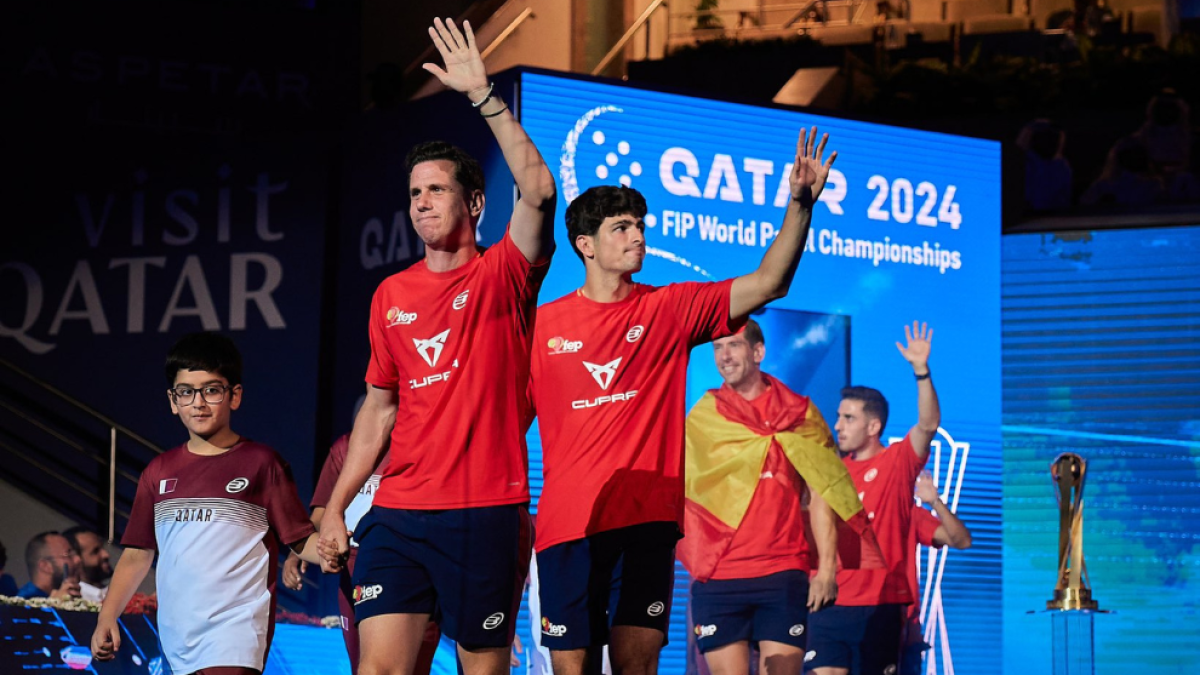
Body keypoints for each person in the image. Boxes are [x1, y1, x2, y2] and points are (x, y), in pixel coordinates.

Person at [529, 128, 837, 675]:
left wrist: (800, 205)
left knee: (637, 664)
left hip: (648, 519)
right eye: (621, 228)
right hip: (568, 526)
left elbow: (770, 283)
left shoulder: (670, 308)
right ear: (585, 244)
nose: (637, 236)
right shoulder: (540, 326)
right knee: (571, 668)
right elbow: (502, 420)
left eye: (640, 226)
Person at [316, 17, 556, 675]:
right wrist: (335, 507)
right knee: (380, 668)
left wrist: (483, 96)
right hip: (398, 512)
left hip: (484, 513)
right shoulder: (390, 294)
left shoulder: (505, 272)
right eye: (415, 192)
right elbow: (377, 411)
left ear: (475, 202)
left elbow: (539, 192)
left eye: (438, 190)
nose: (422, 202)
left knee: (482, 669)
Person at [90, 331, 323, 675]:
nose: (198, 402)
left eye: (211, 390)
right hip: (175, 638)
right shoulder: (158, 471)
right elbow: (138, 554)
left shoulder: (262, 463)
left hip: (236, 635)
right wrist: (107, 615)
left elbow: (300, 539)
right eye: (186, 392)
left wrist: (348, 550)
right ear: (173, 401)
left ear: (235, 396)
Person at [679, 319, 869, 675]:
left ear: (758, 352)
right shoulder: (704, 418)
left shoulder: (799, 414)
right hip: (719, 575)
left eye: (733, 345)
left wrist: (827, 569)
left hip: (781, 572)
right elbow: (684, 493)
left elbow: (823, 492)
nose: (724, 356)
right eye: (717, 348)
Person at [805, 322, 940, 675]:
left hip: (880, 604)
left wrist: (921, 372)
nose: (838, 425)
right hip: (829, 602)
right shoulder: (829, 472)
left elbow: (927, 426)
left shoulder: (897, 462)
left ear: (873, 426)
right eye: (838, 417)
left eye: (848, 418)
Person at [283, 432, 441, 675]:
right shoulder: (345, 448)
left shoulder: (426, 441)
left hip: (410, 570)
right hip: (354, 570)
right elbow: (322, 514)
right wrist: (300, 552)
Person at [900, 471, 972, 675]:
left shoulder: (909, 513)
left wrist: (935, 502)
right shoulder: (846, 509)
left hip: (903, 630)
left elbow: (961, 540)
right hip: (850, 619)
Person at [17, 531, 81, 599]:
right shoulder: (25, 603)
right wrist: (55, 605)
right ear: (45, 566)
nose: (78, 559)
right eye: (68, 555)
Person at [63, 525, 113, 603]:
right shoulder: (71, 600)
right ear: (75, 559)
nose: (106, 554)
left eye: (102, 548)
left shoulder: (117, 594)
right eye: (95, 551)